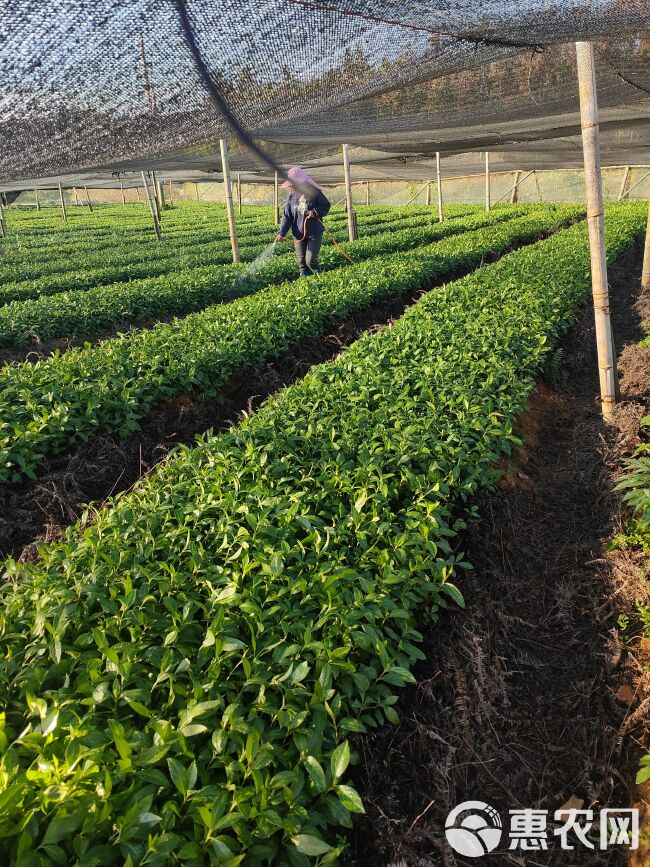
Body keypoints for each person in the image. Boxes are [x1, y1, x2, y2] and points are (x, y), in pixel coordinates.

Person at [275, 167, 331, 276]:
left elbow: (325, 205)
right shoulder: (291, 197)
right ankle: (306, 282)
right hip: (298, 234)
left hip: (314, 233)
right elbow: (287, 216)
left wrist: (315, 212)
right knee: (301, 262)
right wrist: (282, 232)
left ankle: (321, 278)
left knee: (310, 260)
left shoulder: (314, 192)